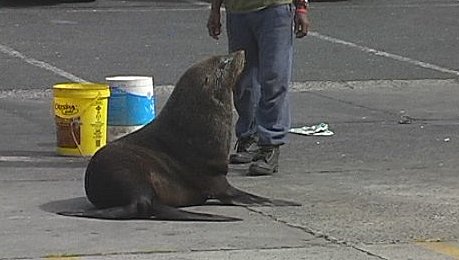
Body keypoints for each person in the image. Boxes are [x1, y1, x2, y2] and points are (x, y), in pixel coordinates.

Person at [207, 0, 310, 176]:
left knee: (274, 77)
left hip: (274, 9)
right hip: (238, 12)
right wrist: (215, 9)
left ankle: (270, 144)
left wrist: (301, 7)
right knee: (242, 80)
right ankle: (250, 136)